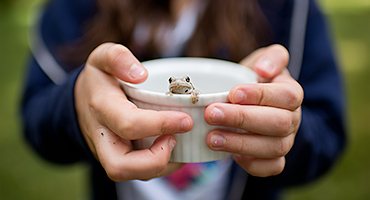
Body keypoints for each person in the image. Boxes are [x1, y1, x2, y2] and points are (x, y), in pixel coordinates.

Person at [21, 0, 346, 199]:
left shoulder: (290, 8)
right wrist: (77, 105)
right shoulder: (74, 7)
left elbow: (328, 132)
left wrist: (282, 126)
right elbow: (35, 117)